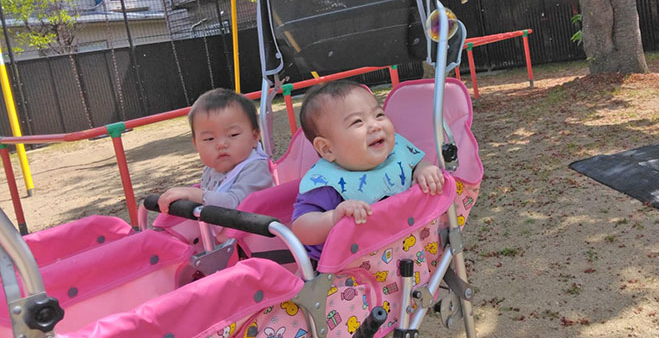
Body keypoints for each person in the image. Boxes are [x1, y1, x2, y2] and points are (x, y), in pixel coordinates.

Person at [291, 80, 444, 260]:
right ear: (327, 149)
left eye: (379, 114)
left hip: (403, 256)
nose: (375, 125)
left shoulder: (397, 154)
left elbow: (415, 163)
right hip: (347, 271)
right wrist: (332, 219)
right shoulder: (327, 183)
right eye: (357, 122)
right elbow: (300, 228)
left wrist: (424, 169)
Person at [158, 88, 272, 213]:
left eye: (233, 135)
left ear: (255, 137)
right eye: (209, 138)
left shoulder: (255, 167)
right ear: (196, 144)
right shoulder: (211, 169)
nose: (221, 144)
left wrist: (197, 195)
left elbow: (235, 203)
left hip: (254, 230)